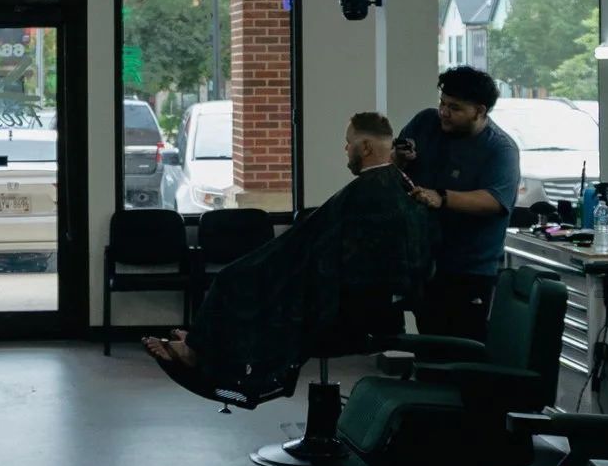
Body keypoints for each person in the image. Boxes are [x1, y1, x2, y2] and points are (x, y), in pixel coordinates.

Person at [144, 112, 431, 406]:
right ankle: (199, 343)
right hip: (367, 300)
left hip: (344, 306)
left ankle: (199, 354)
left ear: (366, 148)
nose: (346, 149)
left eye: (349, 142)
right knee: (254, 280)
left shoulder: (366, 191)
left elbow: (308, 245)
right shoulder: (399, 185)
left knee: (233, 280)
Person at [397, 66, 523, 338]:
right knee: (429, 344)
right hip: (424, 263)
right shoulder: (425, 123)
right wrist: (400, 159)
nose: (444, 112)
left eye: (455, 108)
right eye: (442, 103)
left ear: (479, 110)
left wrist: (441, 197)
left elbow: (495, 200)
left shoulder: (500, 149)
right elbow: (395, 167)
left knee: (463, 351)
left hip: (469, 270)